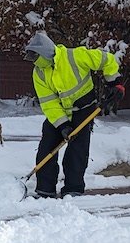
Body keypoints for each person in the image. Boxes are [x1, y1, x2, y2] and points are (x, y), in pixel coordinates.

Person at [26, 29, 124, 199]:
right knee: (46, 147)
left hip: (84, 109)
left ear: (45, 54)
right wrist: (62, 125)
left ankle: (73, 189)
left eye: (35, 57)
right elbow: (49, 103)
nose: (34, 62)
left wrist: (114, 83)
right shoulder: (39, 72)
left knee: (76, 151)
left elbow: (107, 59)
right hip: (60, 112)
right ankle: (45, 189)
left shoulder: (75, 56)